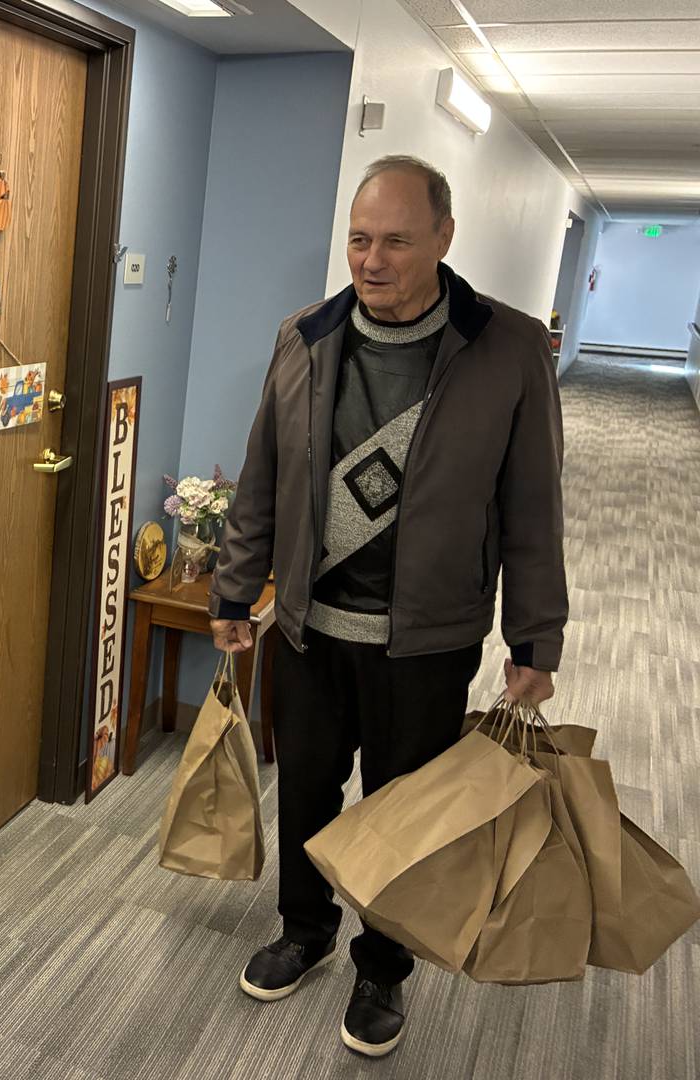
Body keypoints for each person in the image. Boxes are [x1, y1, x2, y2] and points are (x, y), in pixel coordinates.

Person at [208, 155, 568, 1059]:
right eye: (360, 239)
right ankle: (305, 928)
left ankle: (383, 967)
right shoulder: (304, 335)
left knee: (405, 808)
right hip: (307, 629)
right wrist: (233, 585)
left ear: (445, 239)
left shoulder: (510, 347)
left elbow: (533, 503)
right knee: (309, 795)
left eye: (397, 241)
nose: (373, 260)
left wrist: (536, 635)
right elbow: (264, 480)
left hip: (427, 640)